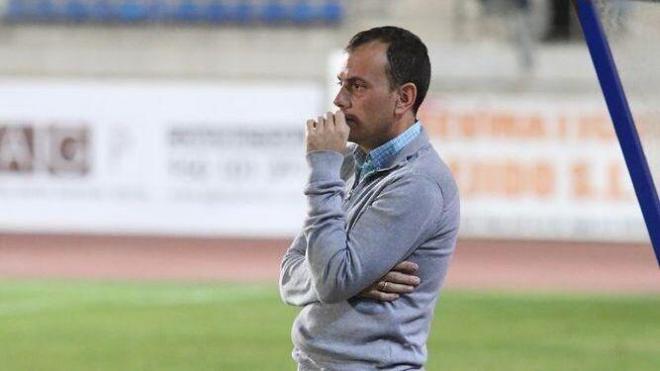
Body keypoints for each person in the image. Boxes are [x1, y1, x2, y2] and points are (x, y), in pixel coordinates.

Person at [279, 26, 460, 370]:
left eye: (357, 86)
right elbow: (289, 275)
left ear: (403, 98)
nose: (339, 100)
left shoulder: (419, 182)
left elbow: (333, 278)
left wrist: (322, 167)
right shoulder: (349, 162)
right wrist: (347, 281)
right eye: (341, 84)